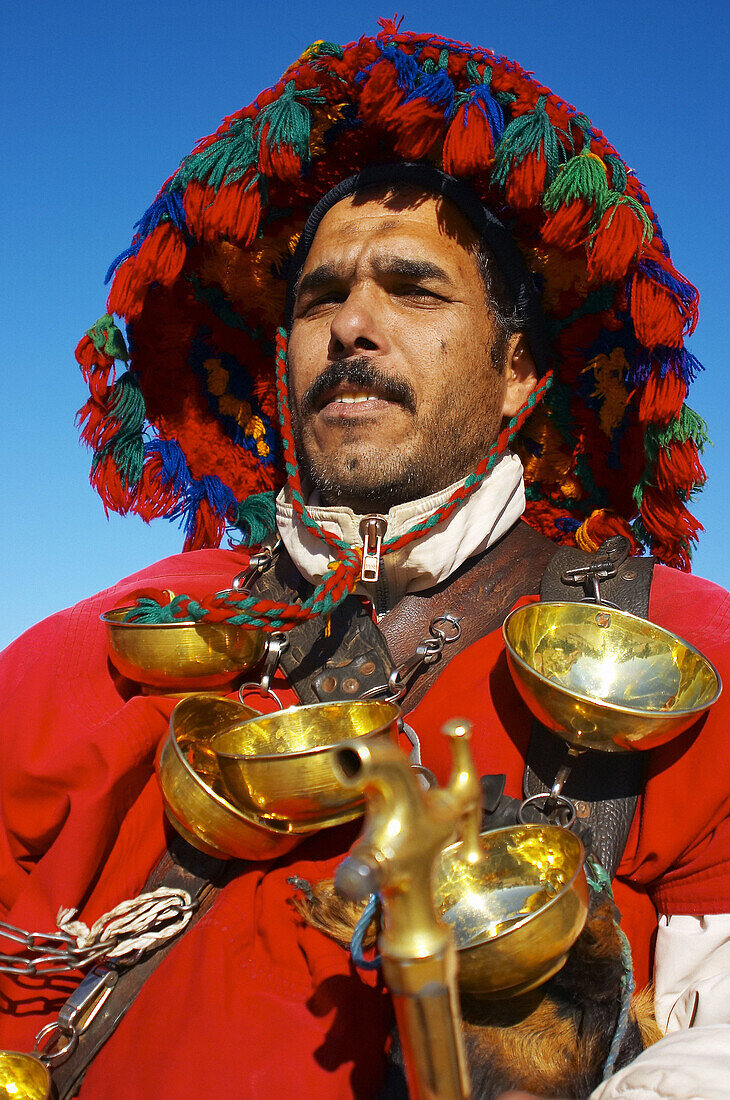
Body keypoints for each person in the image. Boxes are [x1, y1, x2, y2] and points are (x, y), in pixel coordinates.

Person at [1, 22, 729, 1100]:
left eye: (413, 288)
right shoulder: (84, 658)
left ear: (518, 373)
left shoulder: (685, 648)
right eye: (318, 297)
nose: (353, 325)